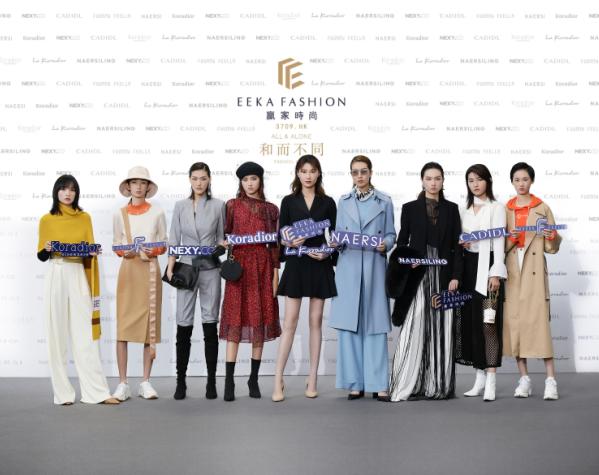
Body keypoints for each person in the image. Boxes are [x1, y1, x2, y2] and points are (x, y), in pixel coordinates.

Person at [37, 175, 119, 405]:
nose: (68, 193)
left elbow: (89, 249)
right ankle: (62, 394)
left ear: (77, 193)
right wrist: (47, 248)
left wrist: (92, 252)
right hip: (57, 271)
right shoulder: (46, 220)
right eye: (63, 188)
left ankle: (96, 392)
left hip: (78, 273)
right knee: (57, 333)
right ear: (56, 192)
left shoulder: (84, 218)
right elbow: (41, 256)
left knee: (85, 333)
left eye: (72, 189)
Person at [387, 162, 463, 401]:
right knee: (414, 324)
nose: (433, 182)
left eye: (437, 178)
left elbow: (457, 246)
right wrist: (407, 259)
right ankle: (405, 384)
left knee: (443, 327)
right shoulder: (409, 208)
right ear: (422, 181)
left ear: (443, 181)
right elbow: (401, 242)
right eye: (429, 178)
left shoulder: (452, 209)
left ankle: (437, 386)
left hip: (444, 276)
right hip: (418, 276)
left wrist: (455, 276)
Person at [328, 155, 396, 401]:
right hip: (349, 267)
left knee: (375, 327)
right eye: (355, 172)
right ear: (351, 175)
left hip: (374, 266)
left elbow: (391, 234)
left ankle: (379, 384)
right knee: (350, 326)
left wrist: (385, 244)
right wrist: (335, 242)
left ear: (370, 173)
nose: (359, 176)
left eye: (363, 171)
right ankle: (354, 383)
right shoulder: (343, 201)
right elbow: (338, 234)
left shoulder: (385, 201)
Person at [272, 155, 337, 402]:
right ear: (297, 173)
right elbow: (282, 235)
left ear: (319, 173)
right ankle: (278, 379)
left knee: (315, 321)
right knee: (289, 321)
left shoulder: (328, 202)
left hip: (319, 264)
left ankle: (313, 378)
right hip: (297, 264)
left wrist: (327, 252)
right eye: (304, 171)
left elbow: (334, 237)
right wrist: (288, 242)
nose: (308, 175)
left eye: (312, 171)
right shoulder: (288, 201)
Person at [220, 161, 281, 401]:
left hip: (263, 267)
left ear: (260, 181)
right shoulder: (232, 205)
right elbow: (224, 233)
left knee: (259, 320)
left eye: (253, 179)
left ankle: (253, 379)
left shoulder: (271, 209)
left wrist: (275, 272)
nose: (249, 183)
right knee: (234, 319)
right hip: (239, 267)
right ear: (240, 183)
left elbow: (274, 245)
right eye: (245, 180)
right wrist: (224, 243)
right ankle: (229, 381)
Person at [166, 162, 226, 400]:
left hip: (210, 269)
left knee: (210, 325)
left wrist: (220, 247)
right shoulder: (180, 206)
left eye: (203, 178)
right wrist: (170, 268)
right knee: (184, 325)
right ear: (189, 180)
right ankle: (181, 381)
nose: (199, 183)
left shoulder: (219, 205)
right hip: (186, 269)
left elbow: (222, 238)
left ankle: (211, 381)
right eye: (195, 178)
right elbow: (174, 239)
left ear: (209, 179)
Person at [504, 162, 561, 400]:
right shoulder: (505, 209)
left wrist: (552, 236)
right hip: (513, 271)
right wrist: (512, 238)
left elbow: (552, 246)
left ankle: (551, 380)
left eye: (525, 179)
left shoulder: (542, 207)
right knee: (516, 326)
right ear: (512, 182)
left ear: (532, 181)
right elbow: (500, 244)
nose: (521, 184)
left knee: (540, 327)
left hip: (534, 271)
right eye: (517, 180)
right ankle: (524, 379)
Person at [111, 167, 167, 401]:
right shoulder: (119, 214)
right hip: (128, 271)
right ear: (128, 186)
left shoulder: (157, 212)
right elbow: (116, 244)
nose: (138, 187)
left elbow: (163, 243)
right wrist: (124, 251)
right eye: (134, 182)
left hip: (150, 270)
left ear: (148, 187)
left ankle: (145, 381)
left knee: (148, 329)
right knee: (123, 328)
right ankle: (122, 383)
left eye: (142, 183)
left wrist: (152, 250)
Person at [455, 164, 507, 402]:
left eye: (479, 179)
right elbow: (459, 240)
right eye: (470, 180)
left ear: (488, 181)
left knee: (489, 323)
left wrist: (496, 273)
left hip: (488, 270)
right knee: (472, 324)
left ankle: (492, 379)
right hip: (468, 270)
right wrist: (462, 242)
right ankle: (479, 379)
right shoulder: (463, 209)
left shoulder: (497, 208)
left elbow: (499, 242)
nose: (475, 184)